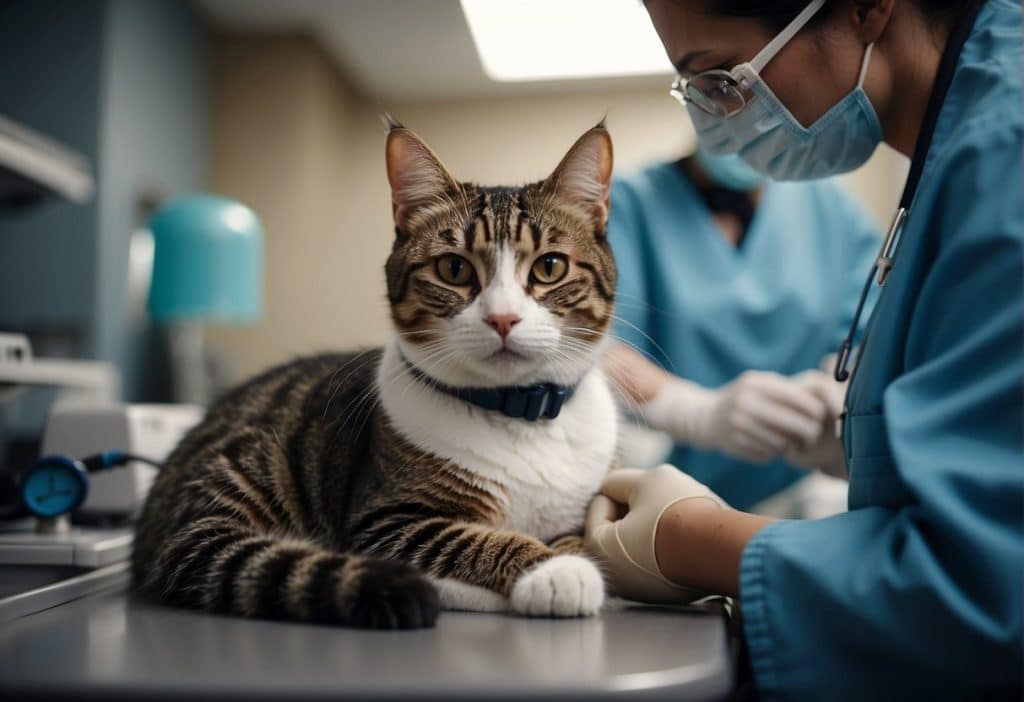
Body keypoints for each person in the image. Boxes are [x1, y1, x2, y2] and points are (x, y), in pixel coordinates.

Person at [584, 1, 1023, 700]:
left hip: (806, 535)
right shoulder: (954, 151)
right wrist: (700, 411)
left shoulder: (1002, 155)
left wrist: (688, 537)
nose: (714, 118)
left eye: (724, 78)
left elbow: (984, 592)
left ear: (866, 8)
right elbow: (580, 340)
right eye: (694, 88)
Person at [606, 141, 881, 510]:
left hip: (806, 490)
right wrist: (698, 413)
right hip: (680, 494)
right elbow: (599, 346)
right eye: (719, 92)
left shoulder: (829, 206)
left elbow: (873, 332)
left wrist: (842, 401)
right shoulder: (631, 205)